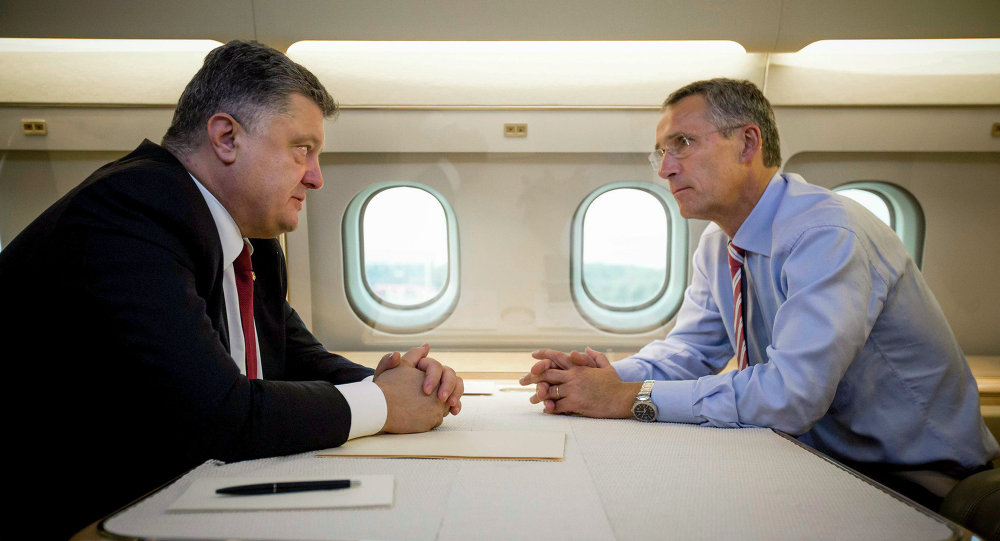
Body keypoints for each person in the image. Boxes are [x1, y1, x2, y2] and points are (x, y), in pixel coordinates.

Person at [0, 40, 463, 538]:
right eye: (302, 150)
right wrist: (385, 405)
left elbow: (295, 355)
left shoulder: (252, 242)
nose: (316, 178)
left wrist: (402, 381)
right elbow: (216, 412)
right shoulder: (131, 211)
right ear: (226, 137)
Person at [520, 78, 998, 509]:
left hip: (919, 483)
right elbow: (690, 351)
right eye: (660, 152)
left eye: (682, 144)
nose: (664, 169)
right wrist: (597, 378)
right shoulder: (718, 243)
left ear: (748, 142)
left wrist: (628, 397)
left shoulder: (826, 234)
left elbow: (792, 397)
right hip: (822, 463)